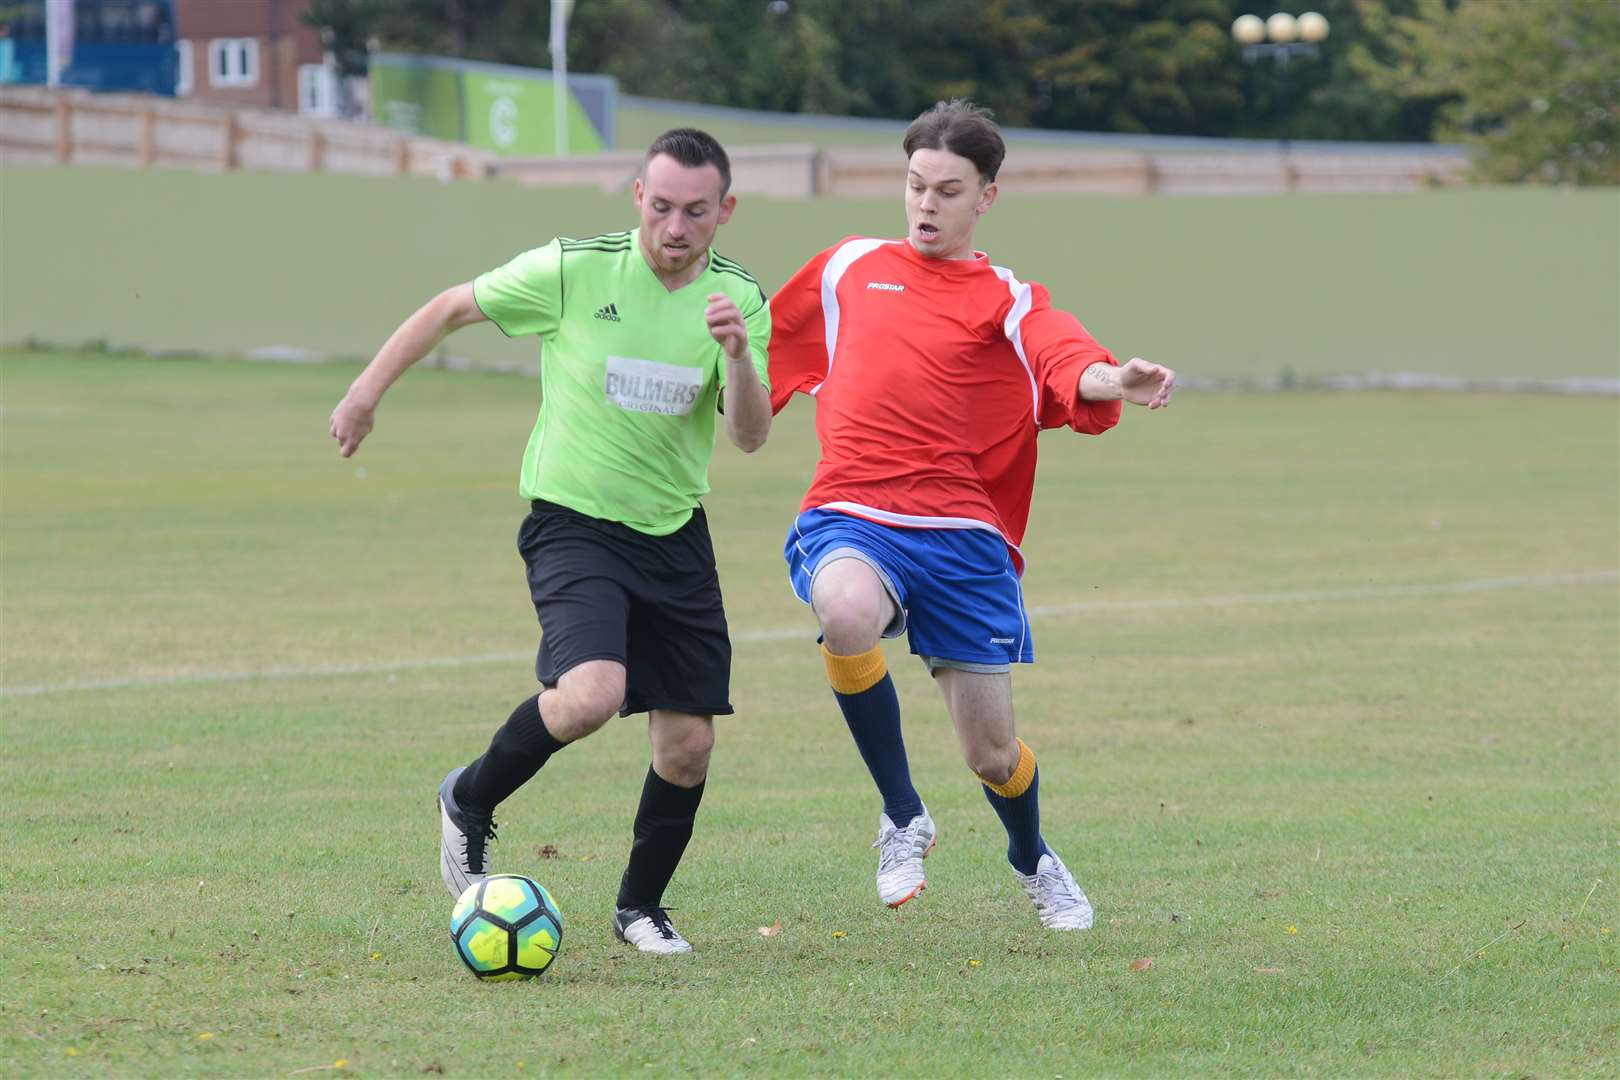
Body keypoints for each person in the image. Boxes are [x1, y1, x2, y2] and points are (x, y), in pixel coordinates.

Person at [328, 128, 772, 955]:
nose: (676, 228)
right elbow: (449, 308)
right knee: (591, 696)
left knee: (688, 745)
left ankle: (640, 909)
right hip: (574, 523)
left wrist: (739, 359)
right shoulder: (574, 270)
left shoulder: (736, 301)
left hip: (675, 535)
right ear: (638, 196)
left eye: (696, 213)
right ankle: (469, 795)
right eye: (663, 207)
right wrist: (364, 394)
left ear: (725, 212)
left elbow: (750, 435)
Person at [766, 101, 1175, 930]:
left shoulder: (1006, 299)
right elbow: (757, 336)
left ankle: (1031, 856)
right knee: (844, 611)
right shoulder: (847, 267)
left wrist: (1111, 379)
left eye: (948, 190)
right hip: (853, 510)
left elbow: (1066, 358)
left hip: (962, 538)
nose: (925, 204)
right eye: (915, 185)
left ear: (986, 196)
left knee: (991, 755)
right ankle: (902, 815)